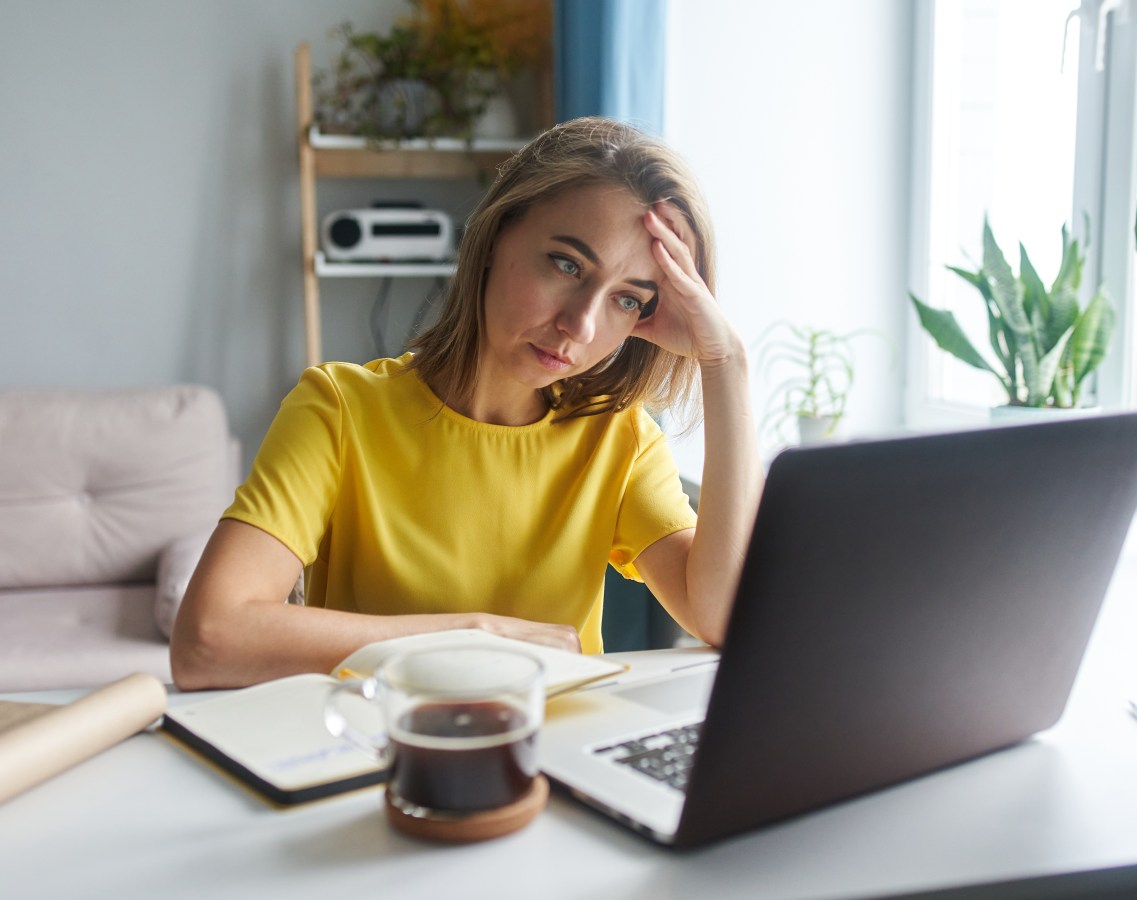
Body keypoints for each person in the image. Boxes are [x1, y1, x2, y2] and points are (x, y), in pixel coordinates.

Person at [170, 116, 763, 690]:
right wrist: (476, 637)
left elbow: (721, 619)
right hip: (377, 758)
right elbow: (207, 639)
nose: (580, 325)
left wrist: (726, 364)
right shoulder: (339, 409)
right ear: (496, 233)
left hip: (556, 762)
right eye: (567, 264)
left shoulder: (619, 438)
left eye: (627, 300)